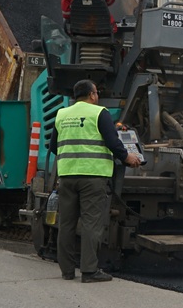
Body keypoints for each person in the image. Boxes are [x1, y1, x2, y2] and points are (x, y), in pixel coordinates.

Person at [51, 79, 143, 283]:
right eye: (96, 93)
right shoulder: (99, 113)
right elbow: (113, 142)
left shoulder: (62, 114)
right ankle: (89, 271)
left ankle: (66, 271)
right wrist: (127, 158)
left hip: (67, 176)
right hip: (92, 177)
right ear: (92, 95)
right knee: (91, 224)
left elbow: (53, 146)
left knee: (66, 224)